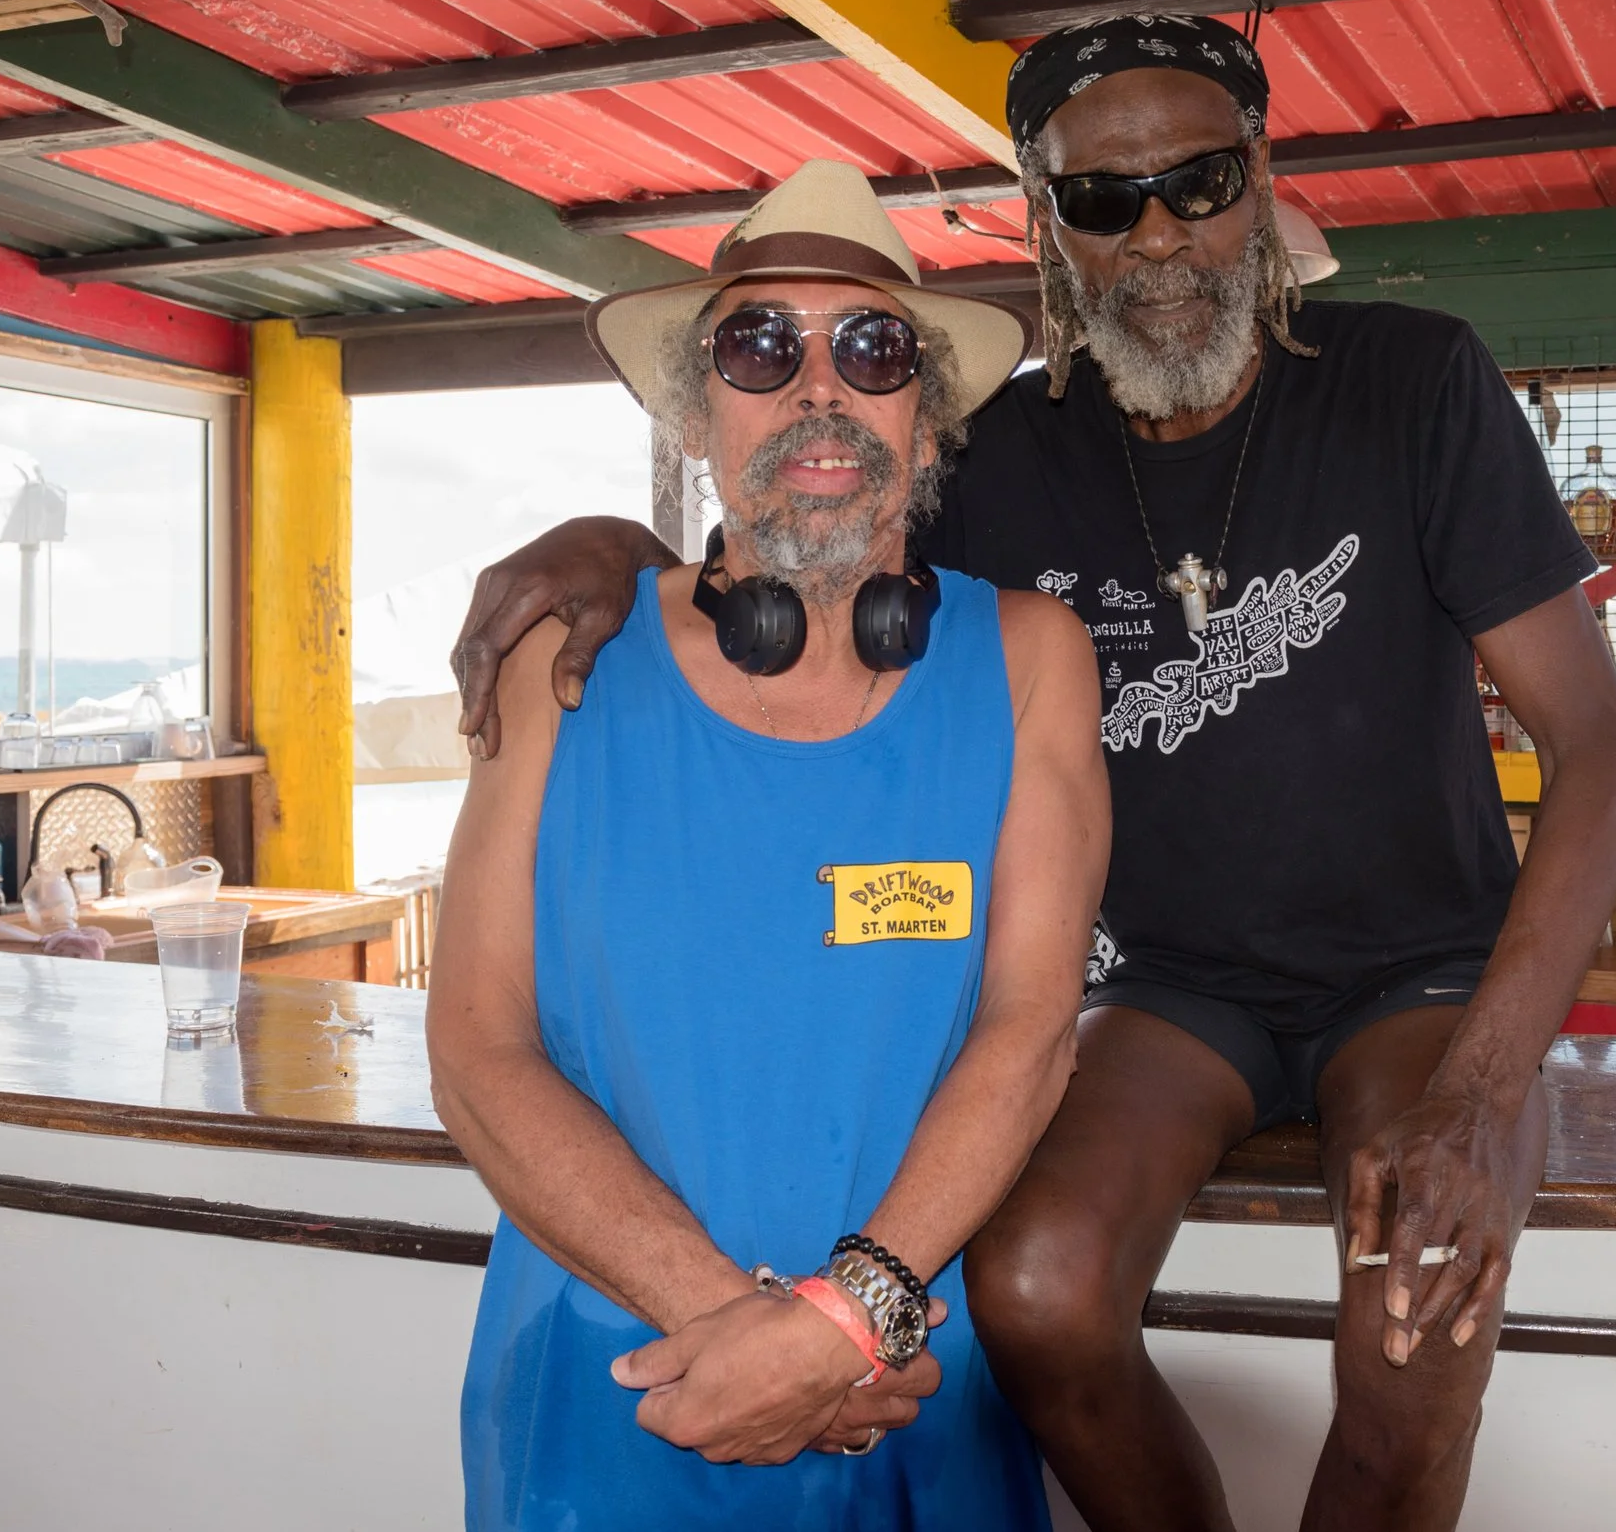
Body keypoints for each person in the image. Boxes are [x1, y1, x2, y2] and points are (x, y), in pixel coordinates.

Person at [451, 15, 1616, 1530]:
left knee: (1414, 1326)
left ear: (1261, 180)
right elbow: (803, 534)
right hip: (1168, 990)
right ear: (1046, 224)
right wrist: (613, 548)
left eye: (1199, 182)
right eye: (1101, 199)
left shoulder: (1415, 383)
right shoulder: (1001, 450)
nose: (1156, 232)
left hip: (1418, 977)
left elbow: (1599, 754)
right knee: (1031, 1287)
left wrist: (1484, 1089)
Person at [427, 160, 1107, 1530]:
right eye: (758, 346)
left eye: (870, 349)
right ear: (696, 414)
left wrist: (846, 1328)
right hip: (626, 1379)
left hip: (911, 1391)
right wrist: (746, 1334)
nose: (818, 388)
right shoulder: (558, 665)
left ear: (924, 421)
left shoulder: (1033, 659)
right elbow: (478, 1053)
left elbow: (1029, 1031)